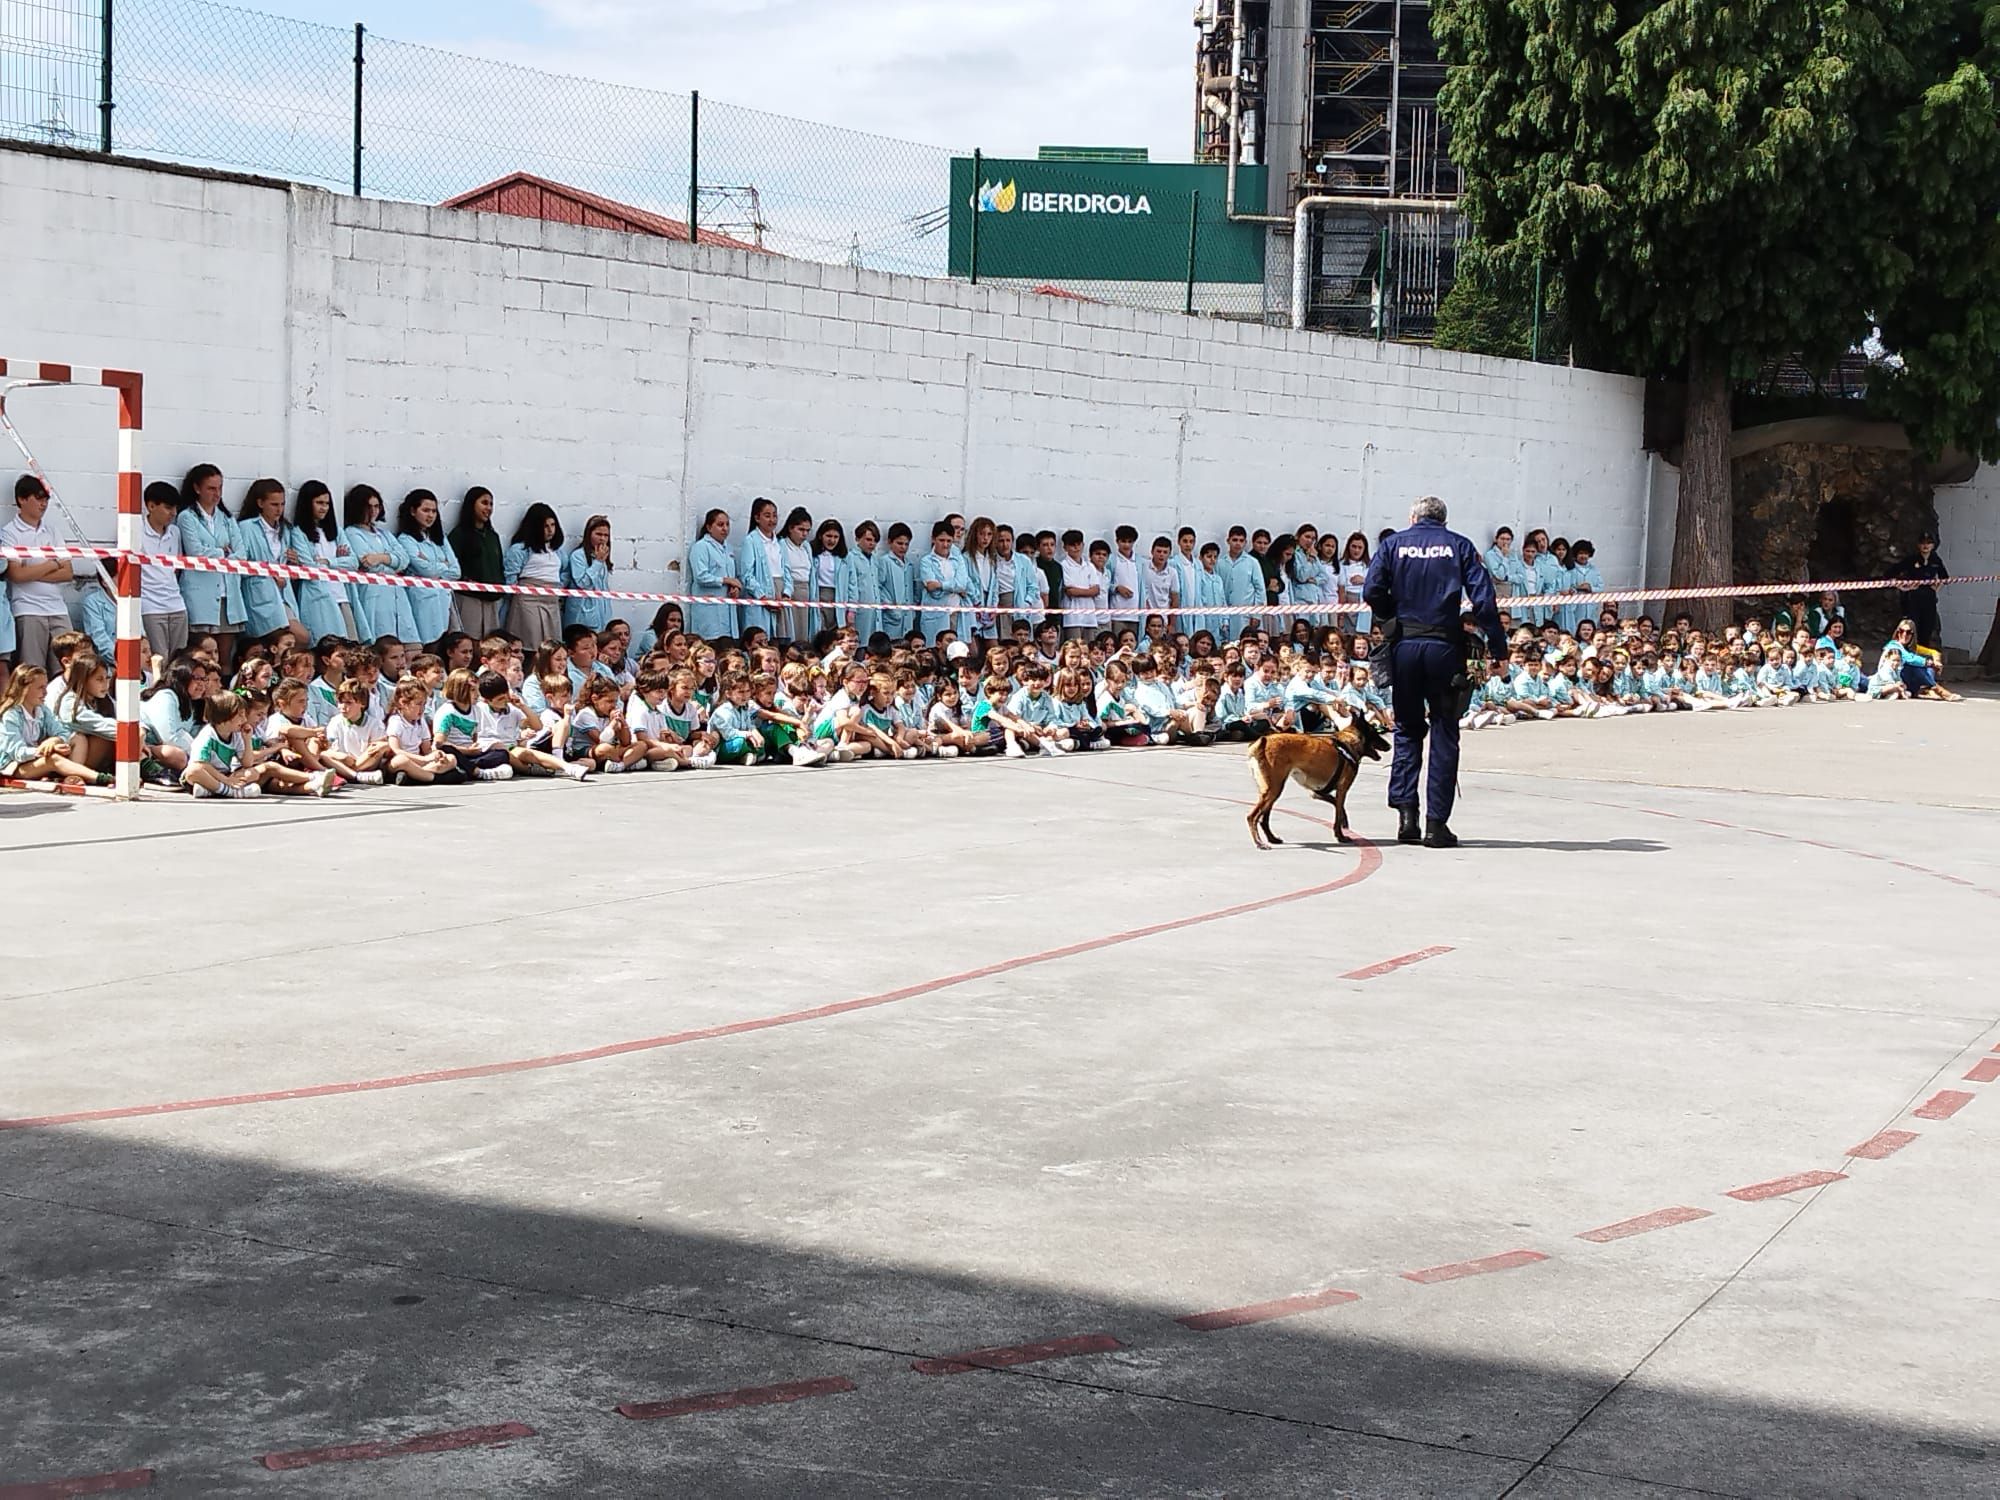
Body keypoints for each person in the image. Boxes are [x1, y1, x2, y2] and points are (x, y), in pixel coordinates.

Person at [1361, 495, 1508, 848]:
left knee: (1408, 729)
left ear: (1413, 517)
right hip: (1445, 647)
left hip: (1405, 647)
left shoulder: (1393, 544)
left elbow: (1371, 590)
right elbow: (1484, 601)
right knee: (1444, 730)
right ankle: (1436, 823)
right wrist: (1498, 648)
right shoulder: (1459, 545)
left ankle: (1406, 814)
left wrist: (1391, 617)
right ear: (1443, 520)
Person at [174, 463, 246, 670]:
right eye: (211, 488)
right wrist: (223, 552)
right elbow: (196, 552)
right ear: (197, 488)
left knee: (224, 657)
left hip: (228, 593)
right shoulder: (187, 517)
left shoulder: (227, 518)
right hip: (200, 594)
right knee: (202, 655)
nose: (217, 494)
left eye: (219, 488)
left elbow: (242, 553)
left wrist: (217, 553)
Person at [3, 473, 74, 677]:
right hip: (27, 608)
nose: (43, 504)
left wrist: (31, 571)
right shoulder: (10, 533)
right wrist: (52, 564)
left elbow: (68, 572)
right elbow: (16, 574)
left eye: (45, 499)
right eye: (38, 498)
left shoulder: (52, 532)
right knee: (32, 671)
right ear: (22, 499)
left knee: (67, 668)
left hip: (57, 607)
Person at [343, 483, 418, 643]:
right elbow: (367, 562)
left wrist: (380, 558)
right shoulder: (351, 533)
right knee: (382, 644)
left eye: (377, 506)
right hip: (374, 596)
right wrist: (391, 561)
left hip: (397, 595)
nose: (373, 511)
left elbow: (404, 560)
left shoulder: (385, 534)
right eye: (368, 507)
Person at [395, 489, 460, 647]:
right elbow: (426, 571)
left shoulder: (440, 538)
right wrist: (443, 565)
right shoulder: (405, 539)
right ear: (412, 511)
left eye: (433, 511)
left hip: (444, 601)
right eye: (425, 510)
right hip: (421, 601)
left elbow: (456, 571)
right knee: (428, 647)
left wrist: (433, 566)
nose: (430, 515)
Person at [136, 482, 191, 660]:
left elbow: (175, 568)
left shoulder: (175, 532)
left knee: (179, 660)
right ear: (151, 506)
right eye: (168, 508)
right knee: (158, 660)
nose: (173, 513)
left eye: (175, 508)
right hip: (150, 605)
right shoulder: (135, 531)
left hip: (176, 604)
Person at [502, 502, 565, 651]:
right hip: (529, 601)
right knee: (531, 646)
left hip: (552, 602)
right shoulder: (520, 549)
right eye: (545, 526)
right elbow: (510, 576)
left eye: (553, 525)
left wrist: (558, 588)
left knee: (551, 648)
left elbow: (564, 572)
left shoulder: (558, 552)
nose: (550, 530)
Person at [448, 487, 506, 639]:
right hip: (469, 599)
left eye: (491, 504)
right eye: (484, 503)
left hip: (491, 600)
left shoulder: (493, 536)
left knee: (491, 645)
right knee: (469, 643)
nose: (488, 508)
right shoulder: (459, 534)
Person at [561, 513, 614, 634]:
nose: (602, 539)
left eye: (606, 535)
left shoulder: (603, 556)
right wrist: (598, 562)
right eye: (598, 534)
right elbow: (583, 583)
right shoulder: (578, 556)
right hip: (582, 616)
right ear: (589, 534)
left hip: (602, 614)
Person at [1897, 534, 1949, 649]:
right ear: (1918, 545)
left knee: (1927, 629)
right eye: (1923, 543)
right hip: (1913, 598)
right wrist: (1903, 587)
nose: (1925, 546)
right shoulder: (1911, 559)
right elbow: (1892, 573)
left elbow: (1945, 577)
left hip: (1929, 599)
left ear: (1933, 545)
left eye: (1928, 543)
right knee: (1911, 629)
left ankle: (1921, 658)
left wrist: (1937, 586)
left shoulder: (1935, 560)